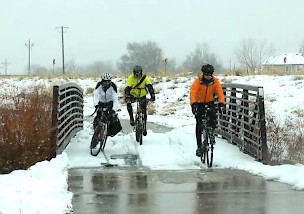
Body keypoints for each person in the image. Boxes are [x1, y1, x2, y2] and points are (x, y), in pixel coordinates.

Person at [190, 64, 225, 156]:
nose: (208, 76)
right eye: (207, 74)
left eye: (210, 75)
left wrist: (221, 103)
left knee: (213, 116)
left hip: (209, 102)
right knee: (199, 123)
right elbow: (193, 92)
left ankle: (211, 132)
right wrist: (193, 104)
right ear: (203, 74)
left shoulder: (215, 81)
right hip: (199, 103)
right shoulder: (198, 81)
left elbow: (220, 92)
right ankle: (199, 146)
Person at [124, 65, 155, 136]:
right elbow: (127, 88)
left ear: (141, 73)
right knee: (128, 103)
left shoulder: (145, 78)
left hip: (142, 95)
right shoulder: (131, 78)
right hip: (133, 95)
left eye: (138, 73)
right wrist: (127, 97)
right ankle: (131, 118)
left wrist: (152, 95)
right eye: (135, 73)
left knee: (144, 110)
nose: (137, 75)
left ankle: (144, 127)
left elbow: (150, 87)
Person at [93, 72, 122, 137]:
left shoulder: (113, 87)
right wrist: (96, 104)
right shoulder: (98, 86)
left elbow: (115, 99)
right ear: (102, 81)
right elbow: (95, 95)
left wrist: (114, 109)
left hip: (110, 103)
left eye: (108, 82)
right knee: (98, 117)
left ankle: (109, 132)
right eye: (104, 82)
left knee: (111, 117)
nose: (106, 83)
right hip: (101, 103)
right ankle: (96, 133)